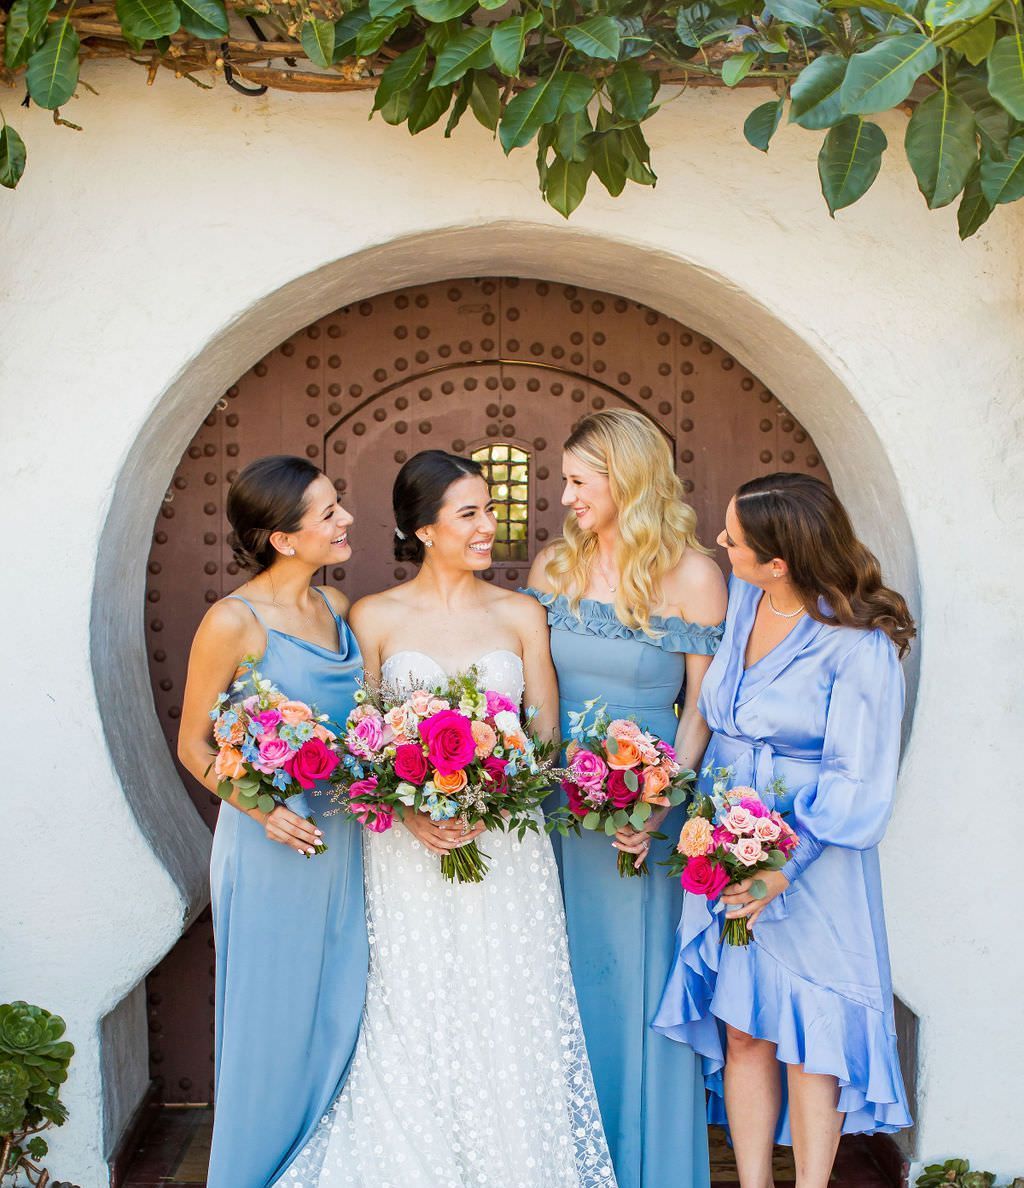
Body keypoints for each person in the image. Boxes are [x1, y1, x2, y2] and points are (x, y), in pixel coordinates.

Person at [277, 450, 616, 1188]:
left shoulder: (521, 612)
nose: (490, 526)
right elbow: (361, 745)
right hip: (407, 851)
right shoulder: (373, 616)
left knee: (509, 1008)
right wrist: (410, 812)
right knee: (415, 1010)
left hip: (507, 853)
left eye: (491, 510)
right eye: (471, 513)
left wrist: (498, 789)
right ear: (422, 529)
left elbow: (545, 741)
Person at [653, 471, 915, 1188]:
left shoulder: (859, 646)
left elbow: (858, 784)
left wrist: (780, 870)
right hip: (725, 838)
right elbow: (708, 710)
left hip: (813, 863)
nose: (718, 541)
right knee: (743, 1028)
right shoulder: (743, 602)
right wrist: (674, 795)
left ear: (781, 560)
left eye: (732, 538)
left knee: (811, 1041)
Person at [524, 409, 727, 1188]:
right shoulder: (554, 568)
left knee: (632, 982)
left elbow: (702, 710)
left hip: (646, 815)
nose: (566, 496)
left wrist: (656, 806)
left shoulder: (694, 576)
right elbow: (531, 693)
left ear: (627, 479)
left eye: (580, 481)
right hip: (555, 810)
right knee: (554, 977)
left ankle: (647, 1164)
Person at [176, 455, 367, 1188]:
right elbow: (194, 743)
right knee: (273, 1013)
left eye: (337, 503)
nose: (344, 518)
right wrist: (265, 809)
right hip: (271, 847)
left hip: (347, 839)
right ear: (282, 538)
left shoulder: (339, 607)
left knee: (342, 1004)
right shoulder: (232, 620)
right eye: (326, 512)